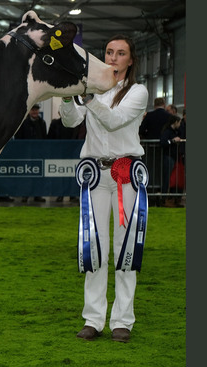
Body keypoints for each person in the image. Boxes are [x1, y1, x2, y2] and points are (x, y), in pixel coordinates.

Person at [59, 34, 148, 343]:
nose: (113, 57)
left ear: (130, 60)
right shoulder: (93, 92)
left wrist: (89, 96)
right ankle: (93, 319)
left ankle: (122, 320)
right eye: (109, 52)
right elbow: (70, 122)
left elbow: (114, 121)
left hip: (126, 173)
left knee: (125, 251)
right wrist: (70, 94)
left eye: (120, 53)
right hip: (95, 175)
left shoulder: (138, 92)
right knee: (94, 249)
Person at [15, 104, 47, 203]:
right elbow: (18, 138)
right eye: (33, 110)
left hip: (38, 154)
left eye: (36, 110)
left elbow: (44, 137)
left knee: (38, 175)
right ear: (29, 111)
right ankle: (25, 195)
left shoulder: (42, 122)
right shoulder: (24, 123)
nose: (35, 112)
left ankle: (37, 195)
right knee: (26, 176)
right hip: (26, 155)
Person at [160, 114, 184, 207]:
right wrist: (172, 141)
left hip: (173, 157)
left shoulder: (175, 131)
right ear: (175, 122)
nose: (180, 124)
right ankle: (164, 199)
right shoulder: (167, 132)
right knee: (167, 179)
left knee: (171, 179)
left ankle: (169, 199)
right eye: (179, 122)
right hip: (169, 157)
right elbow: (163, 142)